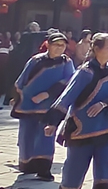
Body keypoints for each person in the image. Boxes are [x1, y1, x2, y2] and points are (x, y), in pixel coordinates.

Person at [47, 33, 108, 189]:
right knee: (76, 162)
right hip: (82, 126)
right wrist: (53, 122)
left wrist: (104, 104)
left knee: (105, 161)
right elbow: (67, 97)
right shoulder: (85, 72)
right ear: (96, 49)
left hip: (105, 125)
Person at [12, 29, 74, 180]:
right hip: (28, 104)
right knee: (27, 135)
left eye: (62, 45)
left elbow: (69, 82)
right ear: (48, 45)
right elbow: (21, 81)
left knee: (46, 135)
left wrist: (47, 94)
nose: (59, 47)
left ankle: (43, 169)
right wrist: (17, 97)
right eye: (56, 44)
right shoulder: (35, 60)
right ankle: (27, 164)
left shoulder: (66, 62)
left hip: (49, 106)